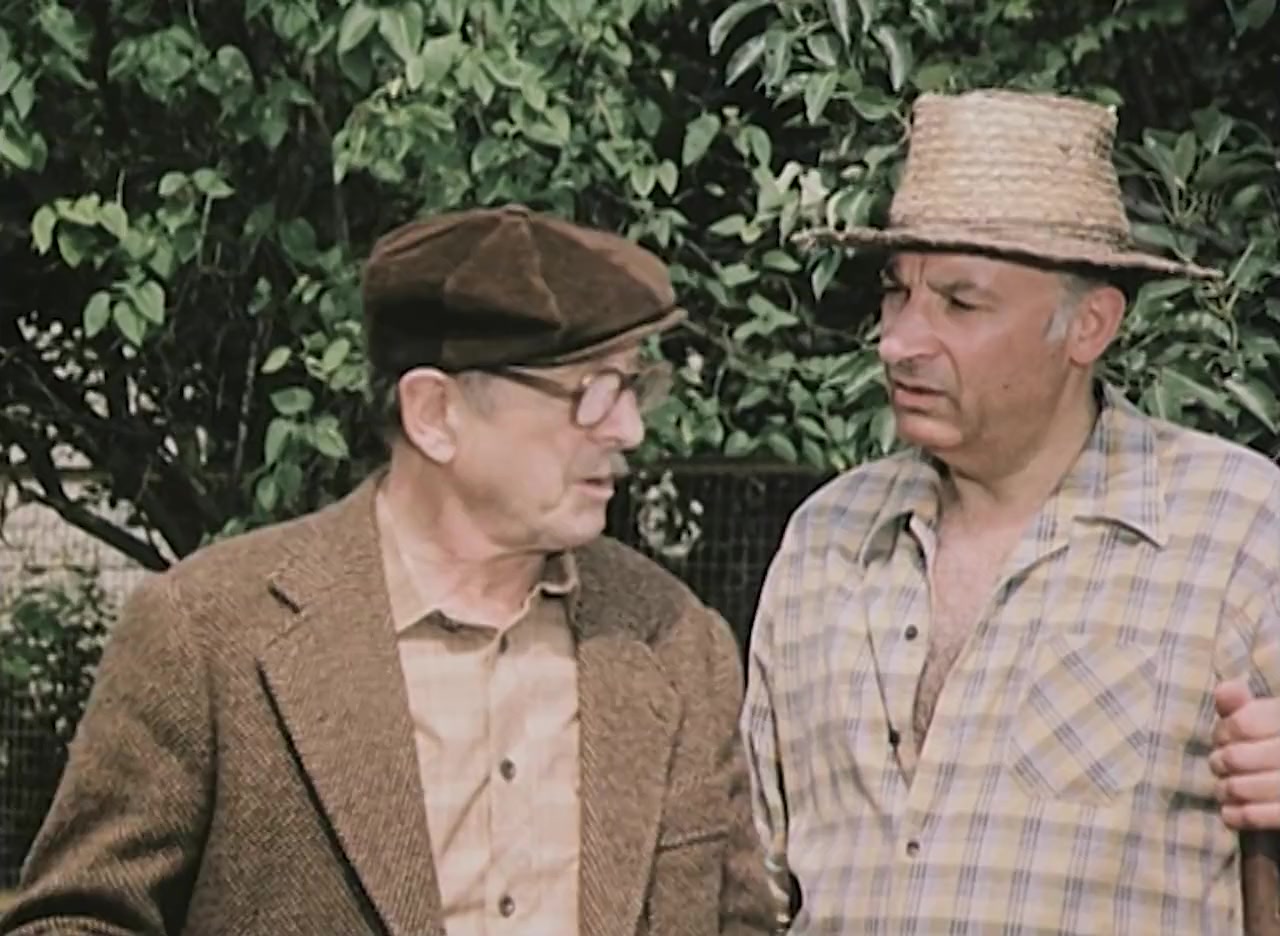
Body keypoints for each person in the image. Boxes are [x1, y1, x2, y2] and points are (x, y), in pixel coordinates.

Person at [1, 205, 778, 935]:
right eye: (594, 391)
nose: (630, 428)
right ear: (434, 414)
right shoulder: (209, 636)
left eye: (635, 385)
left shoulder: (679, 643)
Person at [742, 89, 1280, 934]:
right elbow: (750, 889)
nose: (898, 341)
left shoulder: (1237, 527)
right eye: (896, 293)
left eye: (960, 304)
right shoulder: (827, 539)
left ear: (1088, 326)